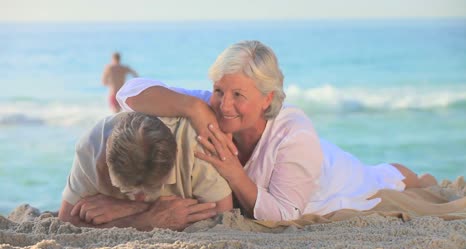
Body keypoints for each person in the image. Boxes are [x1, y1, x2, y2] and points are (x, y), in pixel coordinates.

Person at [115, 40, 437, 221]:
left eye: (238, 95)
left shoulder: (294, 133)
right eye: (218, 90)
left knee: (382, 177)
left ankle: (423, 180)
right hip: (307, 160)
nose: (224, 105)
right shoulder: (209, 106)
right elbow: (128, 93)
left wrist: (234, 174)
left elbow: (286, 212)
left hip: (330, 173)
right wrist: (193, 107)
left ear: (267, 97)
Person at [58, 112, 233, 231]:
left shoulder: (196, 143)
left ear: (176, 154)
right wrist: (145, 220)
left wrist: (123, 210)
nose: (139, 198)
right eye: (126, 191)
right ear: (106, 159)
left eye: (155, 188)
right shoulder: (91, 146)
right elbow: (66, 221)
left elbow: (222, 215)